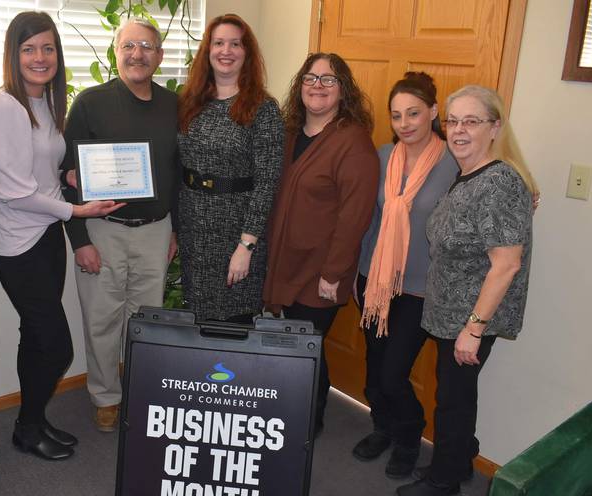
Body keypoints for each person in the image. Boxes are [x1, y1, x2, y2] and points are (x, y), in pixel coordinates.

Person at [0, 11, 121, 460]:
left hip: (45, 236)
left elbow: (41, 170)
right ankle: (27, 424)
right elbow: (14, 190)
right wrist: (75, 208)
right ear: (13, 54)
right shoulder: (4, 107)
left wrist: (70, 175)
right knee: (56, 343)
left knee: (36, 336)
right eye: (28, 48)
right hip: (17, 244)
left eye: (47, 48)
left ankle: (34, 422)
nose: (40, 57)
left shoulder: (43, 102)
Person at [396, 85, 537, 496]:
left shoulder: (499, 182)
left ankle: (445, 480)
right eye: (453, 121)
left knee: (453, 400)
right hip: (452, 311)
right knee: (454, 393)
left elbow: (507, 263)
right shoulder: (472, 173)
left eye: (471, 121)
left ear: (494, 127)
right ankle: (457, 461)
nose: (458, 130)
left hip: (471, 316)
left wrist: (474, 329)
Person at [61, 18, 180, 433]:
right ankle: (106, 397)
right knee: (101, 320)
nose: (137, 54)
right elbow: (67, 176)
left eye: (147, 46)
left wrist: (175, 231)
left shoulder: (173, 106)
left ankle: (143, 392)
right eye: (128, 45)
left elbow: (176, 171)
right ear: (116, 52)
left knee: (148, 320)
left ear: (159, 56)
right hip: (102, 231)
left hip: (155, 230)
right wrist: (79, 240)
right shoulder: (90, 104)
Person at [264, 52, 378, 437]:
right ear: (300, 87)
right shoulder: (289, 133)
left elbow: (355, 216)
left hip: (321, 270)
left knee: (306, 347)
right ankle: (300, 412)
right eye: (311, 78)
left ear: (343, 90)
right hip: (285, 261)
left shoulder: (353, 143)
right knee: (299, 343)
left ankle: (307, 424)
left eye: (329, 80)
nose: (318, 86)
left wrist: (333, 273)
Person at [352, 72, 459, 478]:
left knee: (394, 372)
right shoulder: (382, 157)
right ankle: (382, 428)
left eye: (414, 113)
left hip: (420, 289)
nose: (405, 124)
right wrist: (355, 275)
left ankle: (409, 435)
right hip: (374, 279)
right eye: (396, 116)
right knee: (373, 365)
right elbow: (372, 219)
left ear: (433, 112)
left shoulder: (455, 162)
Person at [177, 13, 284, 324]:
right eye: (219, 43)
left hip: (236, 234)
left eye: (235, 44)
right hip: (193, 228)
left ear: (246, 53)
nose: (226, 51)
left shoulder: (263, 109)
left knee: (232, 327)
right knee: (198, 323)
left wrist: (246, 245)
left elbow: (266, 183)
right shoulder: (191, 101)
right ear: (207, 51)